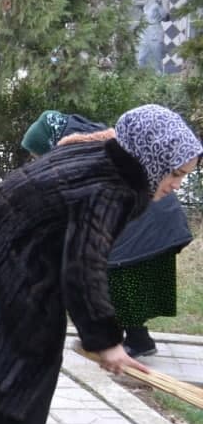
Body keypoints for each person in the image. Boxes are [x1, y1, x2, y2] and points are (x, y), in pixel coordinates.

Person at [0, 105, 200, 424]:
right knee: (38, 351)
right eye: (175, 173)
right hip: (11, 252)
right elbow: (84, 264)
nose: (177, 183)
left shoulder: (104, 156)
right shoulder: (113, 188)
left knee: (16, 349)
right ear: (151, 159)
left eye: (186, 176)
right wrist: (105, 340)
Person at [21, 110, 194, 359]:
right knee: (119, 272)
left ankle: (135, 341)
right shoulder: (92, 140)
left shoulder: (84, 153)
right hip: (154, 216)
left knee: (118, 270)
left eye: (36, 153)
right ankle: (131, 338)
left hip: (150, 218)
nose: (36, 159)